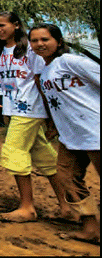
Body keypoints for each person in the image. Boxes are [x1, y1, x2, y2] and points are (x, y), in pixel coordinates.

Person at [0, 11, 70, 223]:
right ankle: (68, 206)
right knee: (45, 158)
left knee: (14, 150)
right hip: (11, 109)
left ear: (15, 25)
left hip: (30, 108)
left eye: (2, 25)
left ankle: (27, 207)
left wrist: (52, 114)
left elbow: (42, 80)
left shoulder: (30, 50)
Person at [30, 24, 100, 244]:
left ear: (59, 42)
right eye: (35, 41)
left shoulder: (72, 62)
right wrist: (53, 126)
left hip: (95, 129)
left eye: (45, 39)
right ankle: (91, 228)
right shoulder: (45, 73)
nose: (40, 44)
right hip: (70, 136)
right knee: (66, 177)